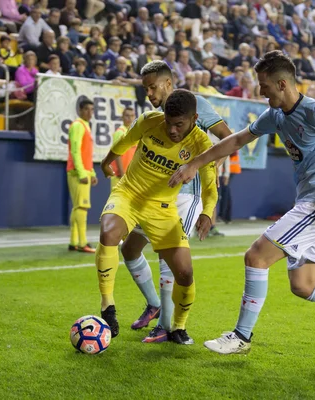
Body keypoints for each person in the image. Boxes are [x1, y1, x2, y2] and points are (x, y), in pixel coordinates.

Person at [169, 51, 315, 357]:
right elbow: (236, 140)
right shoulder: (275, 115)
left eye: (264, 86)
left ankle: (241, 336)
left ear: (283, 84)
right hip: (314, 205)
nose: (260, 92)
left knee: (255, 256)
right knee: (303, 284)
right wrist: (196, 163)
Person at [116, 60, 232, 343]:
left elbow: (227, 139)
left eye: (153, 87)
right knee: (129, 250)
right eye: (146, 89)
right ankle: (156, 305)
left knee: (168, 258)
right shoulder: (156, 117)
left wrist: (200, 165)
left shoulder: (197, 105)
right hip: (153, 195)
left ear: (169, 83)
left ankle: (170, 326)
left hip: (185, 195)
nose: (150, 94)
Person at [98, 89, 218, 344]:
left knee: (184, 273)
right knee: (109, 233)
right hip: (128, 194)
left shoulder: (201, 144)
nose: (172, 130)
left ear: (194, 118)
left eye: (179, 124)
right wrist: (107, 161)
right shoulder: (149, 121)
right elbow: (125, 141)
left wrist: (208, 212)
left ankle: (178, 327)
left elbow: (210, 186)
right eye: (168, 122)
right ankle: (108, 307)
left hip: (162, 208)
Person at [67, 99, 98, 254]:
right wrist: (81, 172)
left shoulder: (85, 125)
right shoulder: (78, 125)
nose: (89, 112)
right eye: (86, 109)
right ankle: (83, 242)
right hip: (78, 172)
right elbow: (75, 150)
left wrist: (91, 172)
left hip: (83, 170)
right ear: (80, 109)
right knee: (82, 207)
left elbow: (86, 153)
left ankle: (74, 242)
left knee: (77, 207)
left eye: (92, 109)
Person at [109, 107, 136, 191]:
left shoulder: (133, 133)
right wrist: (122, 174)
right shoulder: (120, 132)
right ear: (122, 117)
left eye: (132, 116)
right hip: (119, 176)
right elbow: (117, 155)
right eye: (127, 116)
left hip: (129, 177)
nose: (129, 118)